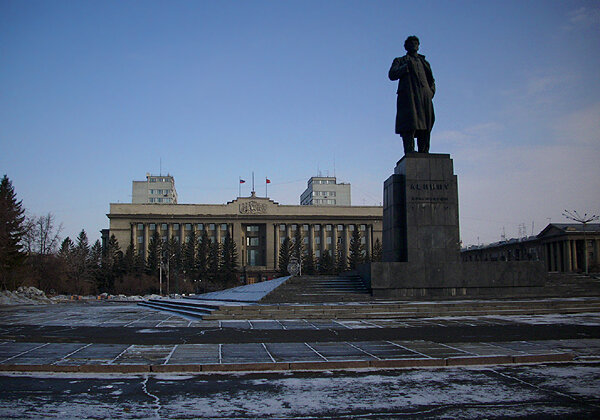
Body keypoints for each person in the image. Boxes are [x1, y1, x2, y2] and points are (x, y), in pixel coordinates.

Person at [389, 36, 436, 154]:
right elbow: (392, 74)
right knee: (410, 123)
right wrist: (405, 67)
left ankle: (424, 151)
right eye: (411, 43)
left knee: (426, 123)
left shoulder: (424, 62)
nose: (414, 45)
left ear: (419, 46)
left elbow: (431, 80)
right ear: (406, 46)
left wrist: (431, 92)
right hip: (409, 96)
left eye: (416, 43)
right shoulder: (400, 60)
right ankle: (409, 150)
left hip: (425, 95)